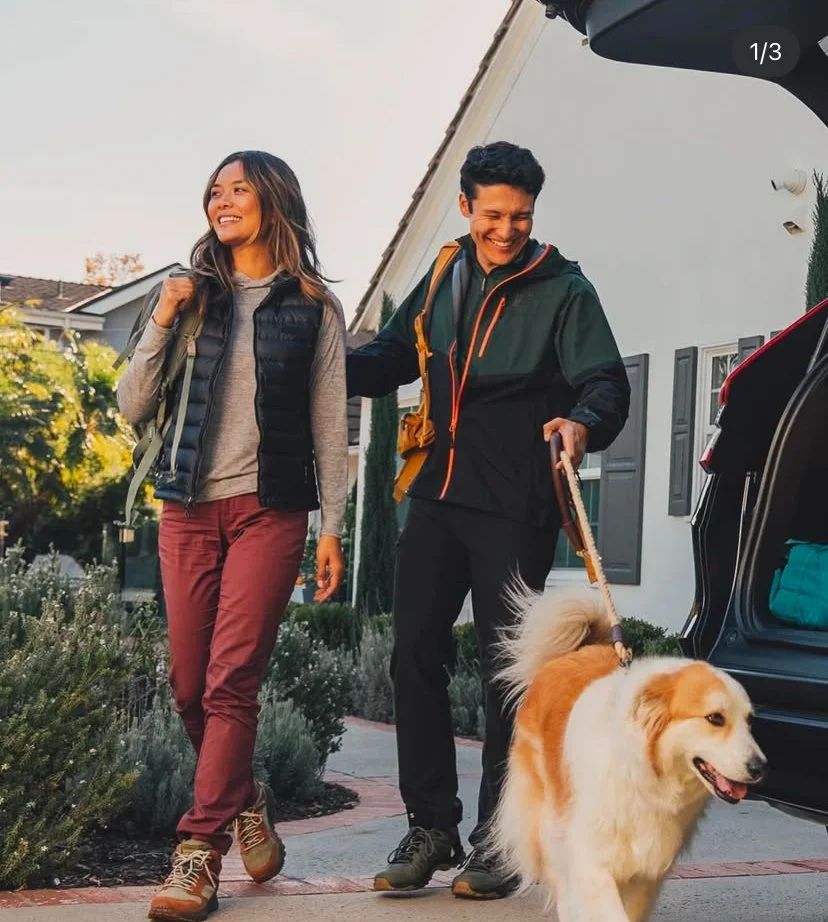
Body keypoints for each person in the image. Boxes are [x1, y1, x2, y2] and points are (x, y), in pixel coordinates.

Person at [347, 141, 630, 900]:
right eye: (493, 214)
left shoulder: (564, 290)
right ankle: (431, 824)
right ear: (467, 206)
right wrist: (321, 358)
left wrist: (581, 422)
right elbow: (386, 359)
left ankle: (501, 840)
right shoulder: (442, 276)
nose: (507, 229)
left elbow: (606, 380)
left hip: (516, 503)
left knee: (504, 674)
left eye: (521, 216)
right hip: (436, 494)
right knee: (413, 653)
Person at [117, 150, 348, 921]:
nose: (223, 200)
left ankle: (196, 856)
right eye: (215, 190)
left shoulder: (312, 305)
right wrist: (160, 317)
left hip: (269, 510)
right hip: (185, 507)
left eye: (238, 188)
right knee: (189, 686)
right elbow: (132, 403)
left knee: (230, 683)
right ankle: (243, 800)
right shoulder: (190, 295)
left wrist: (332, 528)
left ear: (273, 200)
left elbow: (327, 424)